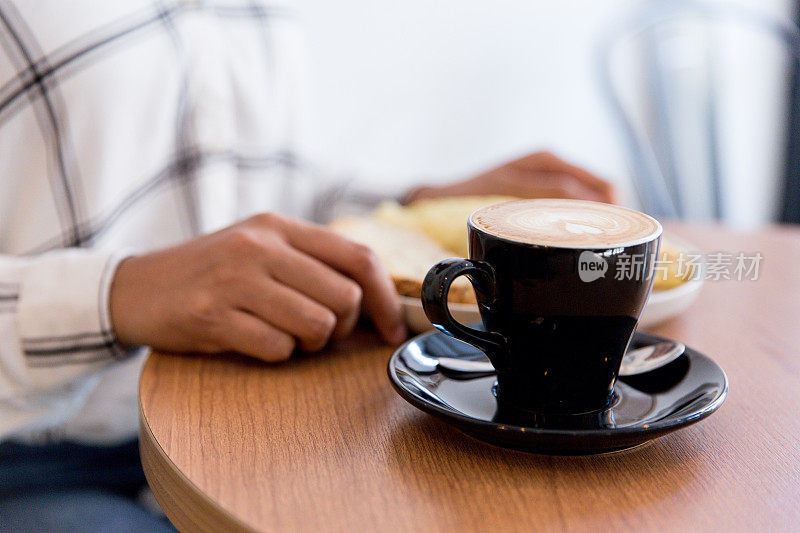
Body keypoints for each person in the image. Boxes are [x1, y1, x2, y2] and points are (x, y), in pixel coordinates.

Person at [0, 1, 615, 530]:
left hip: (240, 426)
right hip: (43, 455)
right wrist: (115, 297)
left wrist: (413, 212)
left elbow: (256, 190)